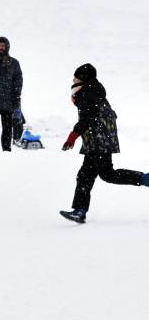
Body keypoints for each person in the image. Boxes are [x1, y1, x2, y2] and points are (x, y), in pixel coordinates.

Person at [59, 64, 149, 223]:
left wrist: (73, 136)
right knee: (85, 176)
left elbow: (86, 118)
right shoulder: (92, 91)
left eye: (76, 77)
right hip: (98, 139)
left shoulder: (87, 93)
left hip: (98, 140)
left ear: (84, 78)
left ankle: (146, 179)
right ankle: (79, 211)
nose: (74, 80)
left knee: (108, 174)